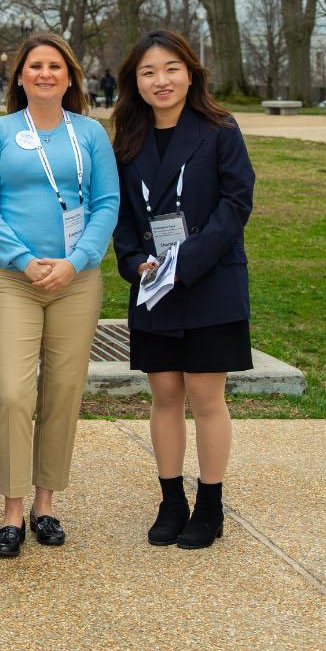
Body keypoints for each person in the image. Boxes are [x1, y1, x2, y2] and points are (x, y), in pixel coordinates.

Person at [0, 32, 119, 557]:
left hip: (77, 282)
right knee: (12, 392)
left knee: (62, 391)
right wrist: (25, 261)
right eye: (35, 66)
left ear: (71, 75)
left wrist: (76, 262)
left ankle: (44, 505)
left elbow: (106, 203)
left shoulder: (90, 133)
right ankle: (11, 511)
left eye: (55, 66)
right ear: (20, 76)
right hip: (17, 280)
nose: (46, 74)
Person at [111, 30, 254, 549]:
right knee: (165, 393)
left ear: (190, 73)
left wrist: (185, 261)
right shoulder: (128, 136)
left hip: (210, 279)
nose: (161, 80)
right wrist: (133, 262)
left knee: (205, 394)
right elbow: (122, 215)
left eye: (171, 68)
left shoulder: (219, 129)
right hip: (153, 285)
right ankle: (171, 499)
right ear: (135, 82)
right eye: (148, 72)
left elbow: (236, 204)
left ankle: (210, 504)